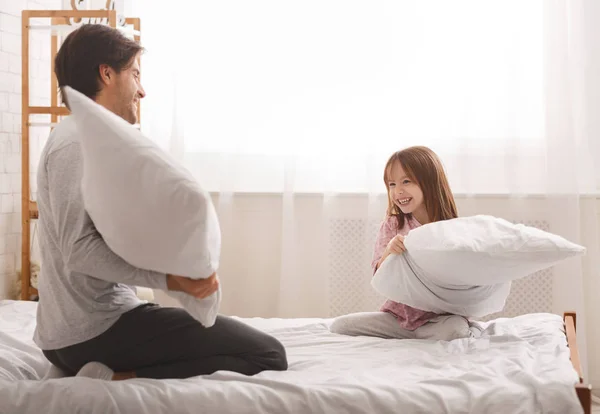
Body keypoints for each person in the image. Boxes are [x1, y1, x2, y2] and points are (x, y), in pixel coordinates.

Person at [34, 24, 287, 381]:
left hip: (79, 332)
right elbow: (78, 250)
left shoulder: (89, 139)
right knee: (268, 354)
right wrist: (172, 280)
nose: (142, 89)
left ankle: (120, 370)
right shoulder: (76, 142)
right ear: (106, 74)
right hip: (91, 333)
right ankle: (122, 376)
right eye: (135, 74)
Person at [329, 146, 474, 341]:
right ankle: (415, 337)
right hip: (399, 319)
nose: (398, 191)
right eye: (391, 184)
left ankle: (425, 336)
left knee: (456, 330)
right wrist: (390, 251)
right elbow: (378, 276)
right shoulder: (392, 224)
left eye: (406, 181)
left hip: (439, 320)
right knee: (341, 326)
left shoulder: (451, 228)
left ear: (429, 183)